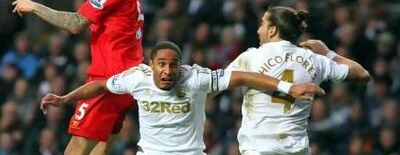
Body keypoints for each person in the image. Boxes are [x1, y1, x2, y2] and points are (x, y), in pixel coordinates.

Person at [11, 0, 158, 154]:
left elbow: (76, 23)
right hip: (129, 78)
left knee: (76, 148)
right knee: (100, 145)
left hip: (108, 79)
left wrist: (34, 6)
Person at [41, 41, 325, 155]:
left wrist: (288, 88)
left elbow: (240, 76)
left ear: (181, 65)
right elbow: (101, 86)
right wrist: (66, 98)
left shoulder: (196, 77)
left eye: (173, 64)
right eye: (162, 64)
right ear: (151, 64)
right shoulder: (135, 77)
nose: (168, 70)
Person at [226, 6, 370, 155]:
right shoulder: (315, 61)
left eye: (262, 24)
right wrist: (328, 53)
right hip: (296, 150)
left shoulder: (251, 58)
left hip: (259, 149)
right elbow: (362, 74)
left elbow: (218, 82)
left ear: (272, 30)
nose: (258, 30)